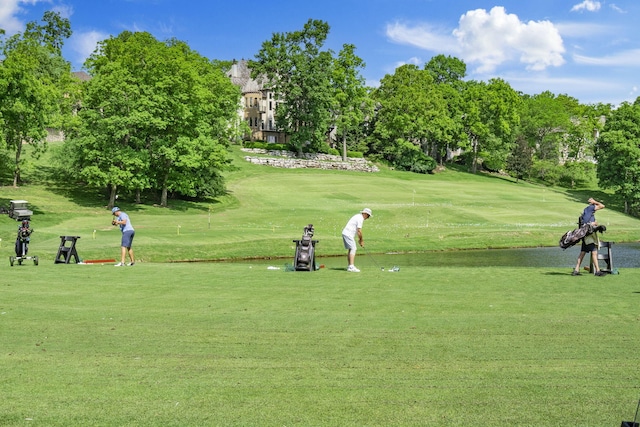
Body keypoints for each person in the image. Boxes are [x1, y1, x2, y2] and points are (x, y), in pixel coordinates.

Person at [572, 198, 605, 276]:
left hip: (584, 236)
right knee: (594, 252)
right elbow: (602, 206)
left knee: (582, 253)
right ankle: (597, 271)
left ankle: (576, 270)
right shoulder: (591, 208)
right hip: (589, 236)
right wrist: (595, 202)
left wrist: (594, 223)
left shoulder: (587, 210)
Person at [341, 208, 372, 272]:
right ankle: (351, 267)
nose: (368, 218)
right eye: (368, 216)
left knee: (351, 248)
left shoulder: (358, 216)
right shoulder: (360, 218)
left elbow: (358, 231)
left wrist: (360, 240)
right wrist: (361, 240)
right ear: (365, 214)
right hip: (348, 234)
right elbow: (359, 231)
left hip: (346, 233)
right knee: (353, 248)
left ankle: (350, 266)